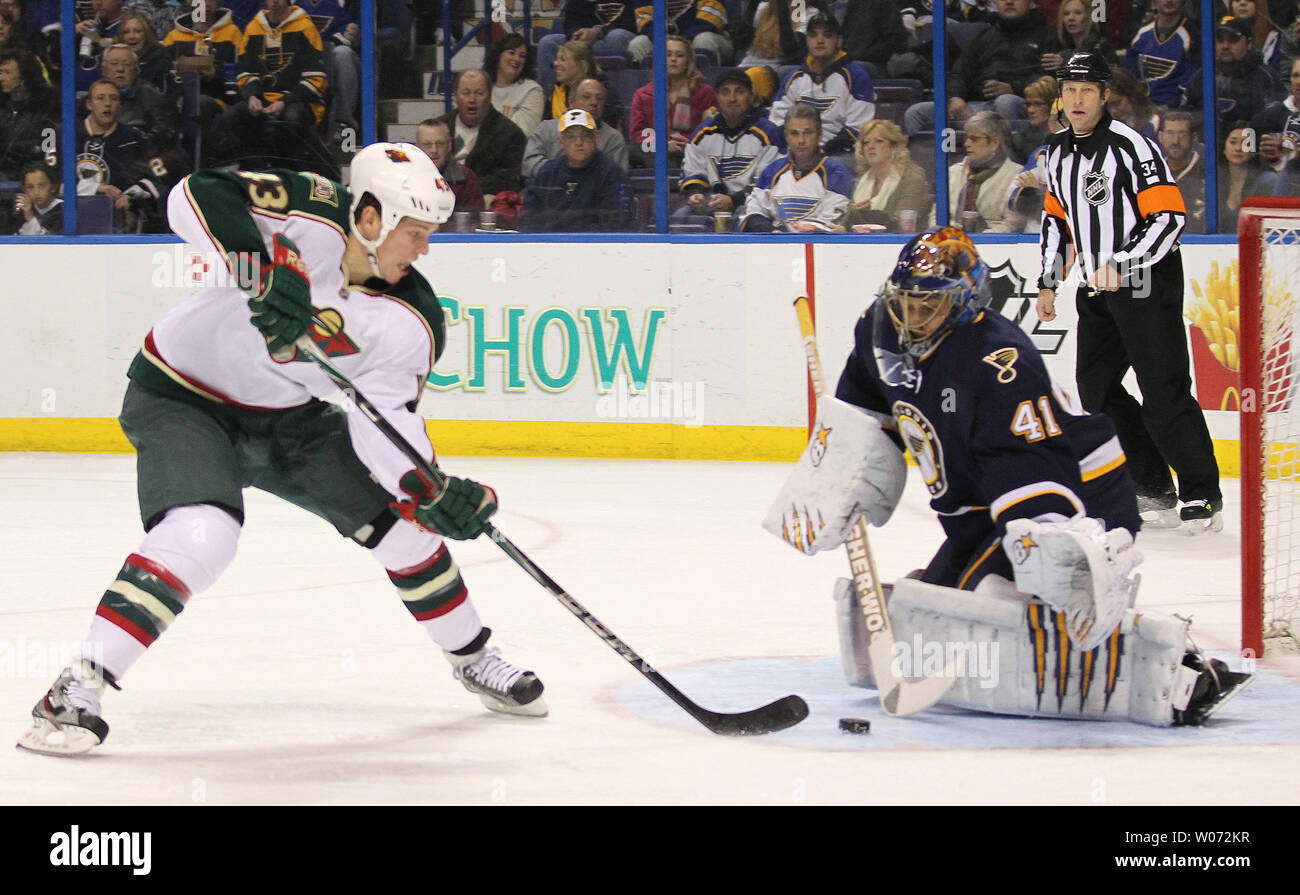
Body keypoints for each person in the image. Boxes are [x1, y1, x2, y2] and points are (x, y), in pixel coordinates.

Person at [17, 142, 548, 758]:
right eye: (418, 232)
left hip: (294, 422)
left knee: (407, 535)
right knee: (201, 534)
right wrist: (261, 272)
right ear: (370, 218)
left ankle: (475, 658)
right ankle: (74, 692)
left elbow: (386, 421)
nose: (426, 249)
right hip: (185, 396)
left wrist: (427, 489)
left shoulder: (413, 317)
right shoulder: (310, 207)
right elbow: (194, 195)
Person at [763, 227, 1251, 727]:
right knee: (936, 607)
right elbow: (864, 410)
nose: (914, 317)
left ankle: (1181, 671)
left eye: (928, 306)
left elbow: (1028, 463)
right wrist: (837, 476)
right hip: (979, 508)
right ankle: (1048, 612)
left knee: (995, 599)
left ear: (966, 301)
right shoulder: (879, 328)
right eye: (906, 301)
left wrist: (1043, 540)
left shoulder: (999, 360)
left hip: (1075, 493)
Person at [1036, 52, 1222, 531]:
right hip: (1097, 287)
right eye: (1069, 90)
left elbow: (1169, 218)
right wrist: (1049, 282)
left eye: (1086, 91)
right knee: (1096, 390)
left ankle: (1202, 493)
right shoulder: (1055, 153)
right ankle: (1153, 487)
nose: (1076, 99)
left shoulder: (1132, 147)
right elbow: (1058, 223)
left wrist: (1124, 262)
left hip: (1146, 279)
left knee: (1162, 389)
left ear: (1104, 97)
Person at [903, 0, 1052, 135]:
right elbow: (959, 73)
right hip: (975, 106)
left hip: (1019, 103)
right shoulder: (984, 36)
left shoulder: (1046, 36)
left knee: (1006, 102)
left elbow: (1046, 78)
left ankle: (1006, 162)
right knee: (916, 113)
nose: (1009, 1)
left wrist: (1014, 88)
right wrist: (956, 98)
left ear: (1031, 3)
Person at [220, 0, 330, 172]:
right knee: (230, 117)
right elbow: (244, 72)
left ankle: (294, 175)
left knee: (292, 118)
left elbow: (317, 79)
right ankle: (256, 172)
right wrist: (253, 96)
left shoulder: (305, 27)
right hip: (263, 99)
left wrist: (285, 101)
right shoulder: (253, 28)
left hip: (299, 102)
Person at [678, 67, 783, 228]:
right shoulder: (702, 134)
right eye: (725, 92)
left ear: (750, 95)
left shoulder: (769, 133)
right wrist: (695, 193)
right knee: (680, 217)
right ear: (717, 97)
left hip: (751, 206)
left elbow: (769, 182)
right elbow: (694, 171)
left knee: (746, 219)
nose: (732, 98)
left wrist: (733, 200)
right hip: (711, 205)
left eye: (739, 91)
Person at [768, 13, 875, 163]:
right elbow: (777, 123)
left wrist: (821, 152)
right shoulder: (793, 78)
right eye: (813, 35)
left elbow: (858, 129)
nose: (819, 40)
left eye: (827, 35)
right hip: (795, 150)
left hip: (838, 153)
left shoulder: (856, 77)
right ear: (807, 41)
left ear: (838, 41)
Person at [739, 103, 853, 232]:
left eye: (807, 133)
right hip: (775, 247)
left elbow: (829, 226)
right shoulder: (772, 171)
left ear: (819, 134)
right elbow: (751, 213)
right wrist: (772, 232)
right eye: (794, 133)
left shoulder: (836, 173)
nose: (801, 140)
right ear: (786, 135)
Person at [521, 108, 631, 232]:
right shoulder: (547, 172)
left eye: (585, 135)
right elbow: (529, 220)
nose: (579, 142)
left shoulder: (611, 173)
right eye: (571, 137)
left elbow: (617, 224)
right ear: (561, 142)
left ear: (596, 138)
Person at [75, 78, 162, 232]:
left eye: (113, 98)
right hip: (71, 214)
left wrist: (129, 196)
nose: (107, 103)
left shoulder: (134, 138)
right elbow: (52, 181)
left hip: (118, 216)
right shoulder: (68, 133)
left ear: (120, 105)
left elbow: (156, 178)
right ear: (89, 104)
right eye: (100, 98)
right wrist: (97, 188)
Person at [628, 35, 718, 168]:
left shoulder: (705, 93)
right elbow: (637, 133)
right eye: (668, 55)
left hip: (692, 151)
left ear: (688, 62)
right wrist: (662, 145)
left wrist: (683, 143)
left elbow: (711, 132)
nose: (673, 59)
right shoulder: (642, 95)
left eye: (680, 55)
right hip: (655, 152)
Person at [437, 68, 527, 200]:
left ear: (490, 96)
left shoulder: (510, 134)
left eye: (479, 93)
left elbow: (511, 179)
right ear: (455, 97)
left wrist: (468, 188)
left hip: (483, 201)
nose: (472, 99)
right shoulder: (439, 127)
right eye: (465, 93)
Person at [1184, 16, 1282, 133]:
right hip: (1208, 147)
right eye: (1220, 40)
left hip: (1249, 145)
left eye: (1233, 40)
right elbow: (1185, 115)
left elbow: (1274, 123)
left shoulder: (1266, 78)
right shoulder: (1203, 76)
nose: (1225, 46)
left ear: (1249, 43)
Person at [523, 77, 628, 181]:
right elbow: (529, 164)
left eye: (599, 98)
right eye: (586, 97)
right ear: (571, 102)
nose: (594, 103)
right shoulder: (546, 129)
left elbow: (617, 177)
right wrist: (564, 173)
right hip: (548, 191)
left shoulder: (614, 139)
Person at [845, 118, 933, 231]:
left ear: (894, 147)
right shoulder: (862, 181)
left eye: (879, 141)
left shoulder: (912, 180)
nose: (870, 146)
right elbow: (847, 223)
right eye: (866, 142)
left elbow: (902, 226)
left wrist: (864, 215)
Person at [941, 110, 1022, 232]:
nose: (966, 144)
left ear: (994, 143)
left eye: (974, 139)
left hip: (994, 246)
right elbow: (936, 216)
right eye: (966, 137)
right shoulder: (952, 173)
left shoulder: (1017, 176)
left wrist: (978, 238)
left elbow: (1013, 225)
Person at [536, 0, 638, 95]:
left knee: (616, 36)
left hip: (615, 36)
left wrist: (598, 32)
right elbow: (571, 22)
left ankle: (612, 97)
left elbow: (629, 24)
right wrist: (576, 34)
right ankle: (550, 101)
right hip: (588, 40)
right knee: (548, 42)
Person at [416, 117, 485, 230]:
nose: (434, 150)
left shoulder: (466, 178)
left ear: (449, 146)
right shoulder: (404, 179)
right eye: (427, 144)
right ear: (417, 147)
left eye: (440, 144)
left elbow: (473, 223)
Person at [1123, 0, 1196, 107]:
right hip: (1141, 106)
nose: (1169, 1)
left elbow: (1188, 83)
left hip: (1172, 110)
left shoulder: (1193, 36)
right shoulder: (1142, 32)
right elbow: (1130, 73)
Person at [0, 48, 57, 183]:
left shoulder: (45, 109)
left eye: (7, 72)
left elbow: (48, 154)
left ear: (24, 77)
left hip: (30, 179)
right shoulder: (2, 107)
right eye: (0, 72)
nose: (1, 78)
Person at [547, 39, 623, 133]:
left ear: (582, 65)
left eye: (562, 59)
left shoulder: (605, 91)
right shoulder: (556, 91)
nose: (555, 64)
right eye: (557, 59)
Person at [628, 0, 733, 67]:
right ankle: (647, 94)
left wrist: (679, 43)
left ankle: (703, 90)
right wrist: (668, 41)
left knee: (704, 39)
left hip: (705, 36)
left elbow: (712, 20)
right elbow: (645, 22)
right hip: (665, 41)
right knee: (638, 43)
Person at [486, 33, 544, 139]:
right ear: (498, 56)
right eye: (511, 53)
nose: (517, 59)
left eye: (522, 56)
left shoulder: (532, 90)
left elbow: (523, 133)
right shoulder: (482, 87)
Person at [1217, 120, 1272, 230]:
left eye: (1246, 144)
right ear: (1224, 147)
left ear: (1253, 150)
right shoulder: (1213, 178)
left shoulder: (1266, 180)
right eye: (1233, 142)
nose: (1238, 148)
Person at [1157, 109, 1206, 232]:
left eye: (1182, 134)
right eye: (1170, 133)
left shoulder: (1208, 170)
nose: (1175, 141)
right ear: (1160, 136)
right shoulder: (1153, 171)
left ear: (1194, 137)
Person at [1040, 0, 1118, 73]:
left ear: (1089, 17)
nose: (1071, 18)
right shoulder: (1063, 52)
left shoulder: (1101, 47)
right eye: (1066, 14)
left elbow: (1111, 77)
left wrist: (1068, 63)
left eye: (1078, 13)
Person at [74, 0, 124, 91]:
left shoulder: (128, 28)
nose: (98, 3)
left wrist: (100, 41)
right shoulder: (88, 26)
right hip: (76, 94)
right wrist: (72, 33)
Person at [117, 10, 167, 90]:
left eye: (137, 31)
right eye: (126, 32)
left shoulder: (161, 59)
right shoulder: (114, 59)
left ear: (147, 34)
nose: (131, 36)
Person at [10, 160, 61, 234]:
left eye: (42, 186)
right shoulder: (24, 211)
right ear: (24, 190)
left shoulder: (63, 211)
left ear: (53, 187)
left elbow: (51, 243)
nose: (36, 192)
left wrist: (30, 217)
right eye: (30, 187)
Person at [1106, 66, 1158, 139]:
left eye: (1117, 103)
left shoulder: (1154, 122)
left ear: (1132, 96)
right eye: (1107, 106)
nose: (1113, 111)